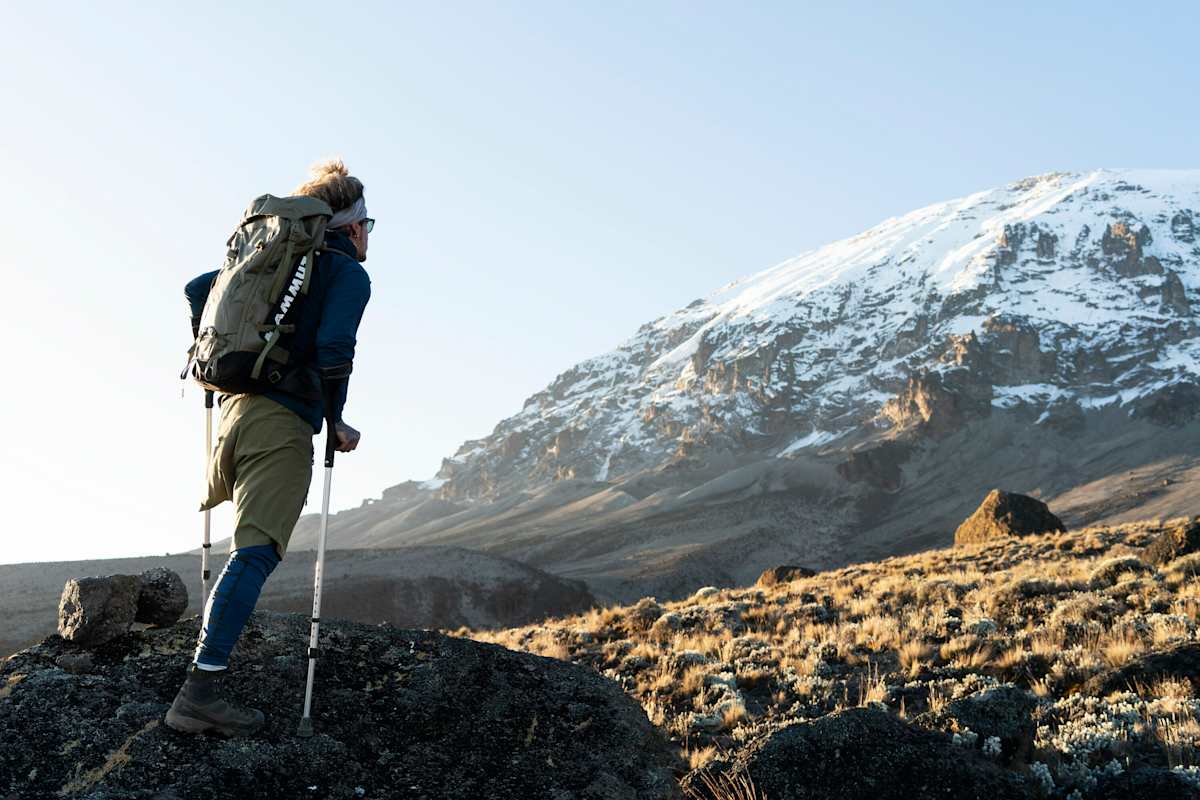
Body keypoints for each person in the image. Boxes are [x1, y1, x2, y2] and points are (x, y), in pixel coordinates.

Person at [165, 159, 373, 736]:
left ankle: (207, 667)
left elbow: (197, 289)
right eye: (369, 225)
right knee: (255, 551)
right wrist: (337, 420)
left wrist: (211, 360)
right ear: (350, 225)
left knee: (245, 550)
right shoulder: (344, 274)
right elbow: (335, 348)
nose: (368, 237)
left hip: (234, 414)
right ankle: (199, 694)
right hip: (280, 425)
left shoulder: (269, 262)